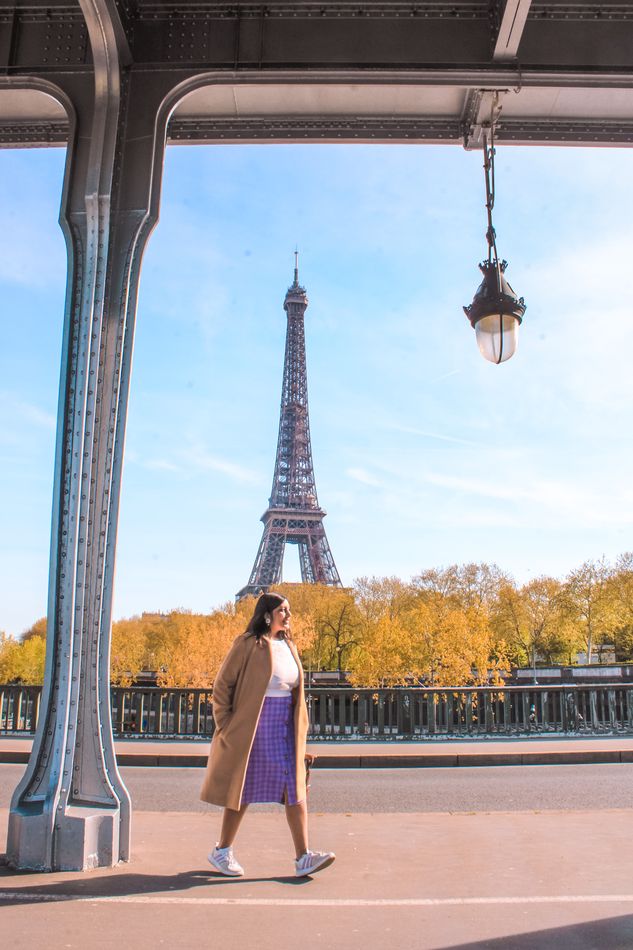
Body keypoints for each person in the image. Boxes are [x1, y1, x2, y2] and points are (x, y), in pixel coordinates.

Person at [200, 591, 335, 878]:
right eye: (283, 610)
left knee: (294, 788)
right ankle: (222, 851)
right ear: (267, 615)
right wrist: (225, 724)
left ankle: (303, 857)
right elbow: (222, 685)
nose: (288, 615)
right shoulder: (248, 644)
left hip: (284, 726)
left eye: (288, 610)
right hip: (254, 726)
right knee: (244, 787)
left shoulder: (289, 645)